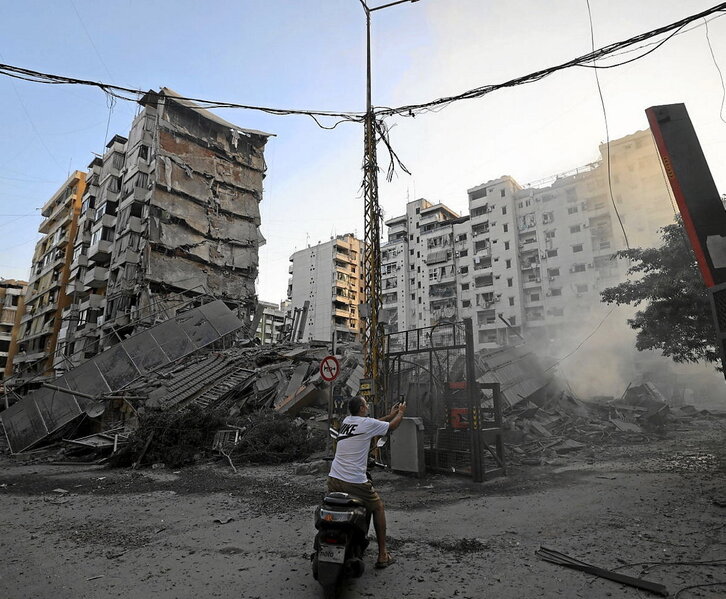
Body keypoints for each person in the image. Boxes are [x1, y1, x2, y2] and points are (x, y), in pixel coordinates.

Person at [327, 396, 406, 569]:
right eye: (366, 404)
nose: (368, 405)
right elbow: (391, 427)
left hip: (333, 479)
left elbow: (374, 423)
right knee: (378, 507)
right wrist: (400, 413)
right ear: (362, 408)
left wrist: (389, 414)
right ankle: (383, 554)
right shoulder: (366, 424)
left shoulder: (347, 421)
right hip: (354, 481)